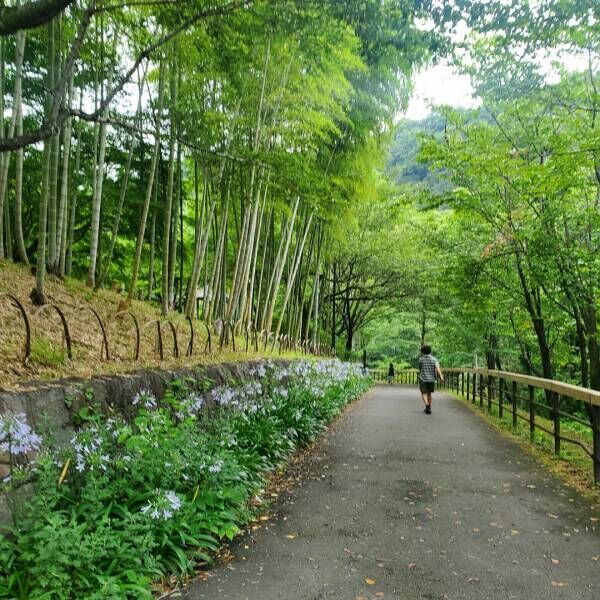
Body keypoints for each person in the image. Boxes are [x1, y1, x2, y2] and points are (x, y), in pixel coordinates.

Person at [419, 344, 444, 414]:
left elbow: (420, 369)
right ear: (430, 351)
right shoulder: (434, 359)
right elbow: (437, 368)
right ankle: (429, 407)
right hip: (431, 379)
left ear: (423, 352)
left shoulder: (421, 359)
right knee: (429, 393)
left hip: (423, 378)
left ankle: (426, 404)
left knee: (423, 393)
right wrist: (441, 376)